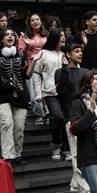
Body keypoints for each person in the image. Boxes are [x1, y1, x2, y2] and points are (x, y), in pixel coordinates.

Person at [0, 29, 29, 165]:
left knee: (19, 127)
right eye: (6, 35)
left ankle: (18, 154)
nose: (10, 36)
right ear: (1, 40)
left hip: (20, 94)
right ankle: (8, 156)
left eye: (12, 35)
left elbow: (27, 75)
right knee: (7, 123)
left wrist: (32, 64)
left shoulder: (20, 55)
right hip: (2, 94)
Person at [31, 28, 68, 160]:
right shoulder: (43, 53)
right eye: (61, 36)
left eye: (64, 36)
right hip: (49, 92)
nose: (63, 38)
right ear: (54, 38)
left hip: (65, 93)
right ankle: (57, 145)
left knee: (65, 119)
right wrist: (38, 94)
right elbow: (36, 74)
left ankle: (66, 148)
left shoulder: (65, 54)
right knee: (57, 117)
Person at [19, 12, 48, 121]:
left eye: (37, 19)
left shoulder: (46, 34)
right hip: (32, 66)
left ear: (41, 21)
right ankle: (39, 115)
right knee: (34, 94)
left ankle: (47, 114)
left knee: (46, 90)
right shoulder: (24, 36)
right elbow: (21, 54)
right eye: (32, 20)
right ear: (29, 23)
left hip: (45, 65)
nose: (35, 22)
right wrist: (27, 45)